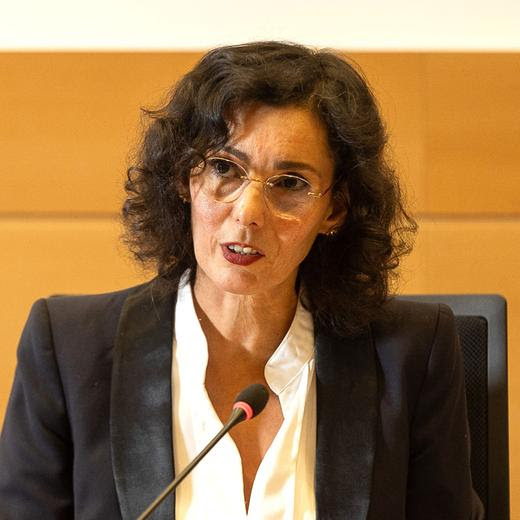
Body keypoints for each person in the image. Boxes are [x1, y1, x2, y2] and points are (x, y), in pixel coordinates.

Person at [0, 41, 483, 519]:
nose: (248, 214)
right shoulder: (69, 350)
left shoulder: (410, 356)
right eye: (224, 169)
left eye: (290, 183)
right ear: (184, 177)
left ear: (334, 208)